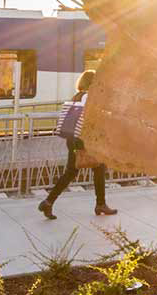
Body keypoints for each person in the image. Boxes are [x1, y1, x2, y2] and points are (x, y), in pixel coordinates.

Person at [39, 70, 117, 219]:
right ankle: (100, 204)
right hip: (84, 140)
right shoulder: (89, 97)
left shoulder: (77, 97)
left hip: (73, 139)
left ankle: (48, 202)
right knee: (96, 168)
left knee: (78, 171)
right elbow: (95, 117)